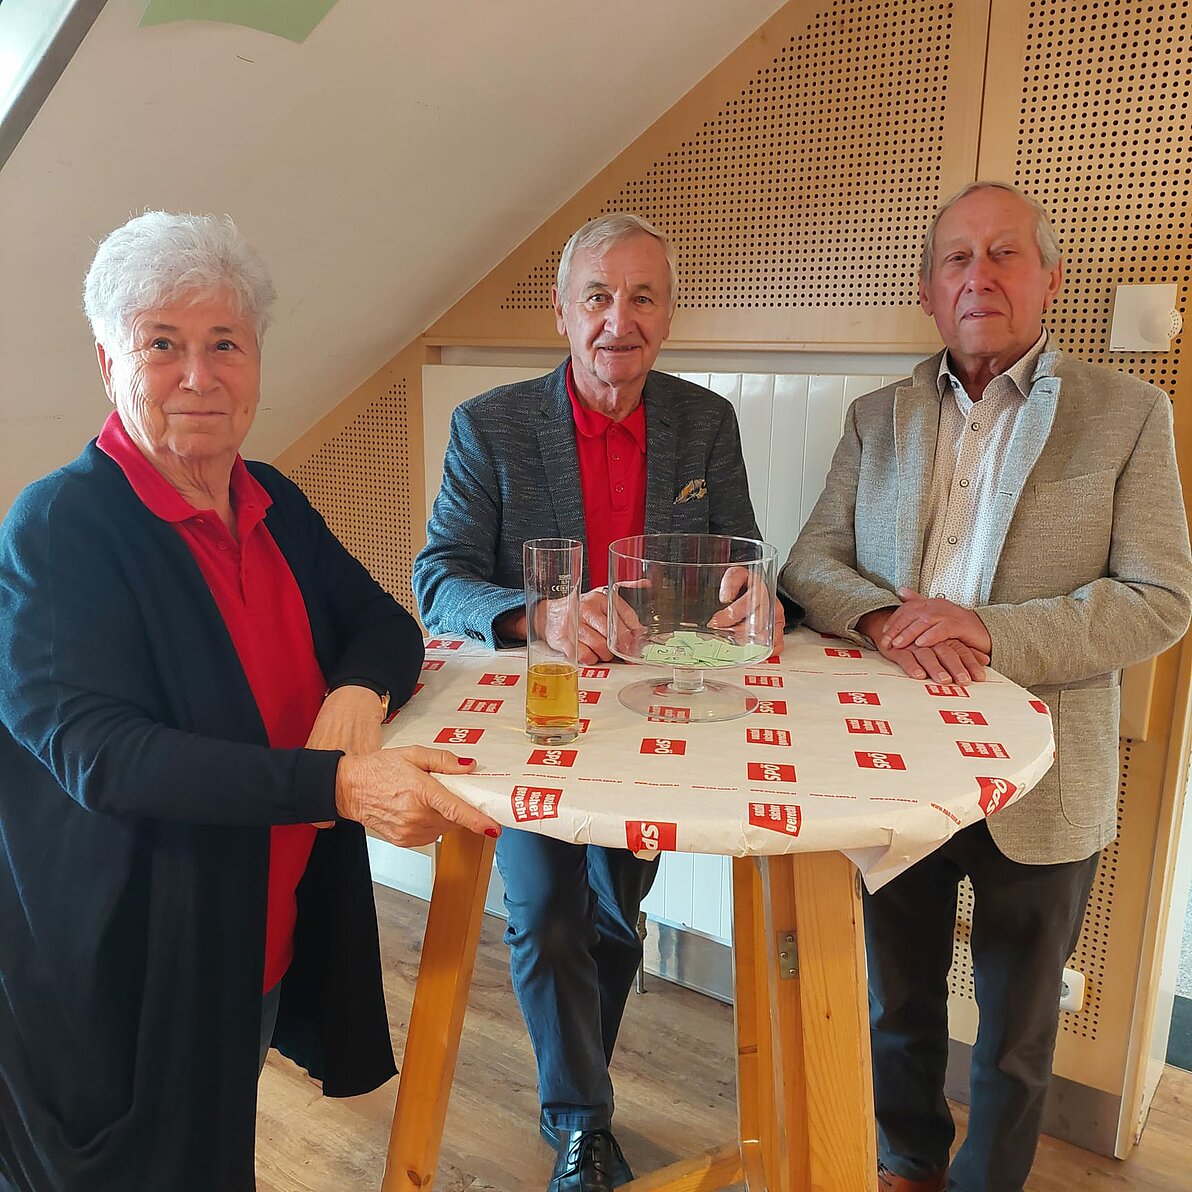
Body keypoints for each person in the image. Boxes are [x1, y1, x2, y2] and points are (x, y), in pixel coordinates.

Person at [0, 211, 500, 1192]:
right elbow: (104, 754)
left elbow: (385, 624)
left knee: (214, 1148)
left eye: (225, 342)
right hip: (121, 967)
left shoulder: (268, 497)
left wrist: (356, 689)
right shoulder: (58, 527)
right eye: (162, 344)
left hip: (249, 929)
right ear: (108, 362)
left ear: (257, 361)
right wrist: (336, 784)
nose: (199, 375)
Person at [781, 180, 1192, 1192]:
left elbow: (1158, 599)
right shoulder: (876, 417)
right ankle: (906, 1163)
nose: (979, 276)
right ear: (929, 292)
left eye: (1005, 253)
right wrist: (882, 618)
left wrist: (988, 630)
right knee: (897, 1006)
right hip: (893, 762)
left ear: (1049, 279)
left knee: (1015, 1038)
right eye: (956, 259)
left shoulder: (1129, 414)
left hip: (1045, 776)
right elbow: (811, 563)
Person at [413, 212, 786, 1192]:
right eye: (598, 297)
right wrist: (538, 614)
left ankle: (581, 1103)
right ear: (562, 312)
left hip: (657, 713)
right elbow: (438, 578)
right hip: (536, 708)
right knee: (545, 912)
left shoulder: (705, 422)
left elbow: (742, 557)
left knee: (617, 915)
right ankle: (581, 1125)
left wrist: (754, 590)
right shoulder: (489, 425)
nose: (620, 320)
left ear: (668, 314)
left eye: (642, 297)